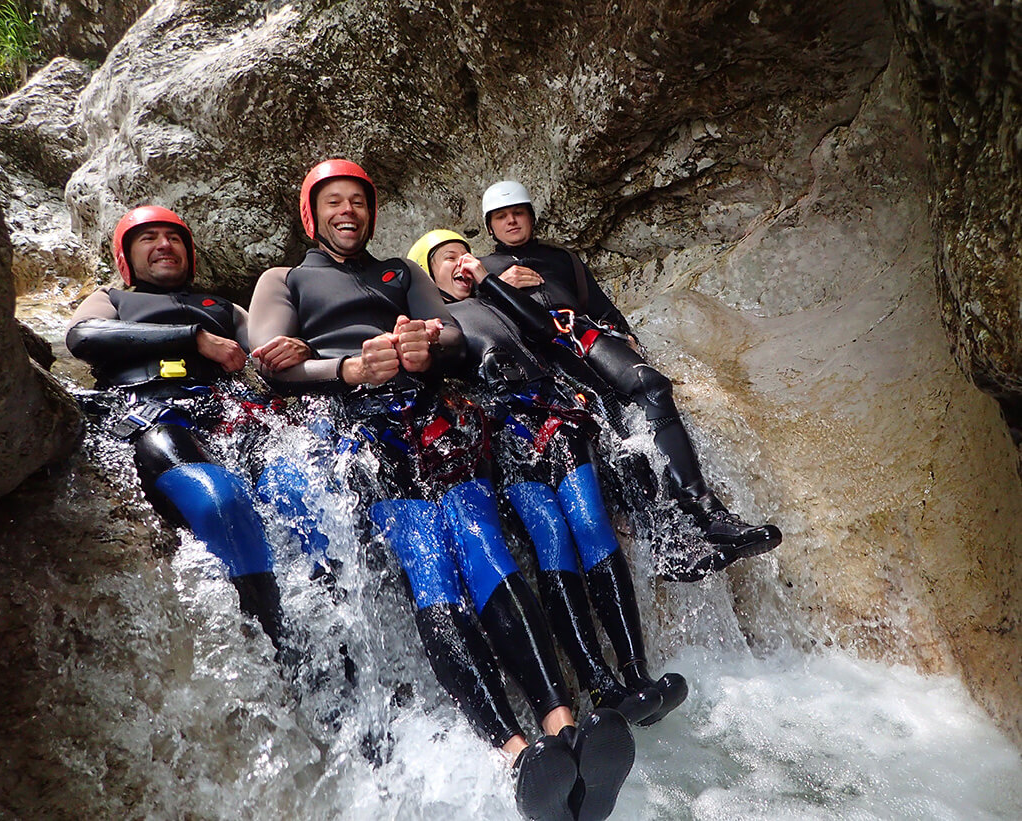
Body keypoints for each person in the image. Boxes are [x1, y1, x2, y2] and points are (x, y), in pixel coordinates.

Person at [248, 159, 635, 821]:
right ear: (313, 214)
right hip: (354, 430)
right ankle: (514, 753)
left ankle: (562, 727)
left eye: (359, 202)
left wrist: (430, 345)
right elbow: (269, 356)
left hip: (431, 419)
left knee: (487, 549)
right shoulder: (283, 279)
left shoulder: (400, 272)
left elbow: (454, 331)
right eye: (334, 202)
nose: (349, 212)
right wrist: (346, 366)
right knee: (432, 566)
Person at [408, 229, 687, 727]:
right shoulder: (438, 322)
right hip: (503, 435)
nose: (459, 263)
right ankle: (598, 684)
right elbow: (439, 365)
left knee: (591, 522)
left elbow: (541, 329)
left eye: (463, 254)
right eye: (445, 260)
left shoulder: (497, 297)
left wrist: (492, 284)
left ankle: (636, 672)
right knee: (553, 538)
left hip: (553, 414)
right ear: (429, 279)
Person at [478, 181, 782, 579]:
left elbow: (603, 308)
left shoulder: (562, 259)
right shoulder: (483, 268)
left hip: (584, 337)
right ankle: (667, 543)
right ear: (490, 226)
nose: (511, 220)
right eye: (501, 216)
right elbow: (470, 318)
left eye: (518, 212)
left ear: (532, 216)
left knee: (652, 386)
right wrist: (496, 286)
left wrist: (627, 336)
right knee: (611, 436)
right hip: (542, 356)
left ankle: (710, 514)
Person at [65, 206, 289, 658]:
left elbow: (267, 351)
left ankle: (332, 654)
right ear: (126, 257)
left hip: (227, 414)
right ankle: (277, 647)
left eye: (174, 237)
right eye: (149, 238)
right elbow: (81, 336)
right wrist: (192, 337)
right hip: (152, 413)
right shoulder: (112, 299)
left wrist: (294, 347)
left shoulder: (224, 308)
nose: (164, 245)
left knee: (300, 490)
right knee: (219, 499)